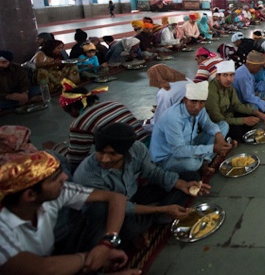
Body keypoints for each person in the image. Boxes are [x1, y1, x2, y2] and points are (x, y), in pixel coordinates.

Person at [0, 151, 139, 275]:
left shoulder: (58, 191)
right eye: (55, 178)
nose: (65, 177)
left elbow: (116, 198)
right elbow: (42, 269)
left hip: (48, 256)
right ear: (30, 195)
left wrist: (107, 243)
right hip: (33, 268)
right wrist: (90, 257)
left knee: (101, 209)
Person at [73, 123, 208, 247]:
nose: (105, 159)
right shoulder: (87, 175)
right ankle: (158, 214)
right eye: (100, 152)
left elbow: (152, 173)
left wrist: (180, 184)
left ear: (125, 151)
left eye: (112, 154)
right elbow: (122, 207)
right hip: (111, 210)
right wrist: (162, 209)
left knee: (190, 177)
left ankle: (152, 217)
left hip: (134, 195)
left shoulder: (137, 149)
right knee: (130, 229)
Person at [56, 80, 148, 171]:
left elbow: (74, 160)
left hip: (130, 161)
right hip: (147, 149)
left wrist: (57, 148)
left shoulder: (80, 123)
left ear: (73, 109)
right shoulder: (114, 104)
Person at [150, 81, 233, 175]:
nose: (197, 107)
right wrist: (212, 148)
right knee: (192, 164)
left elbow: (207, 124)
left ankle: (205, 161)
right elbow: (179, 151)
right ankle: (202, 162)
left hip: (190, 144)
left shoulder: (199, 109)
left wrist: (219, 136)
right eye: (193, 101)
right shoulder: (173, 118)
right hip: (167, 158)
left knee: (223, 126)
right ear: (185, 100)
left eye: (202, 102)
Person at [206, 61, 265, 140]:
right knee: (238, 131)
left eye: (231, 75)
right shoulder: (211, 91)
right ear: (217, 76)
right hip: (219, 123)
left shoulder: (229, 86)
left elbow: (237, 105)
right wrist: (243, 120)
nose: (229, 79)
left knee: (254, 116)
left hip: (230, 115)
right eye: (225, 75)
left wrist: (256, 113)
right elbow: (218, 119)